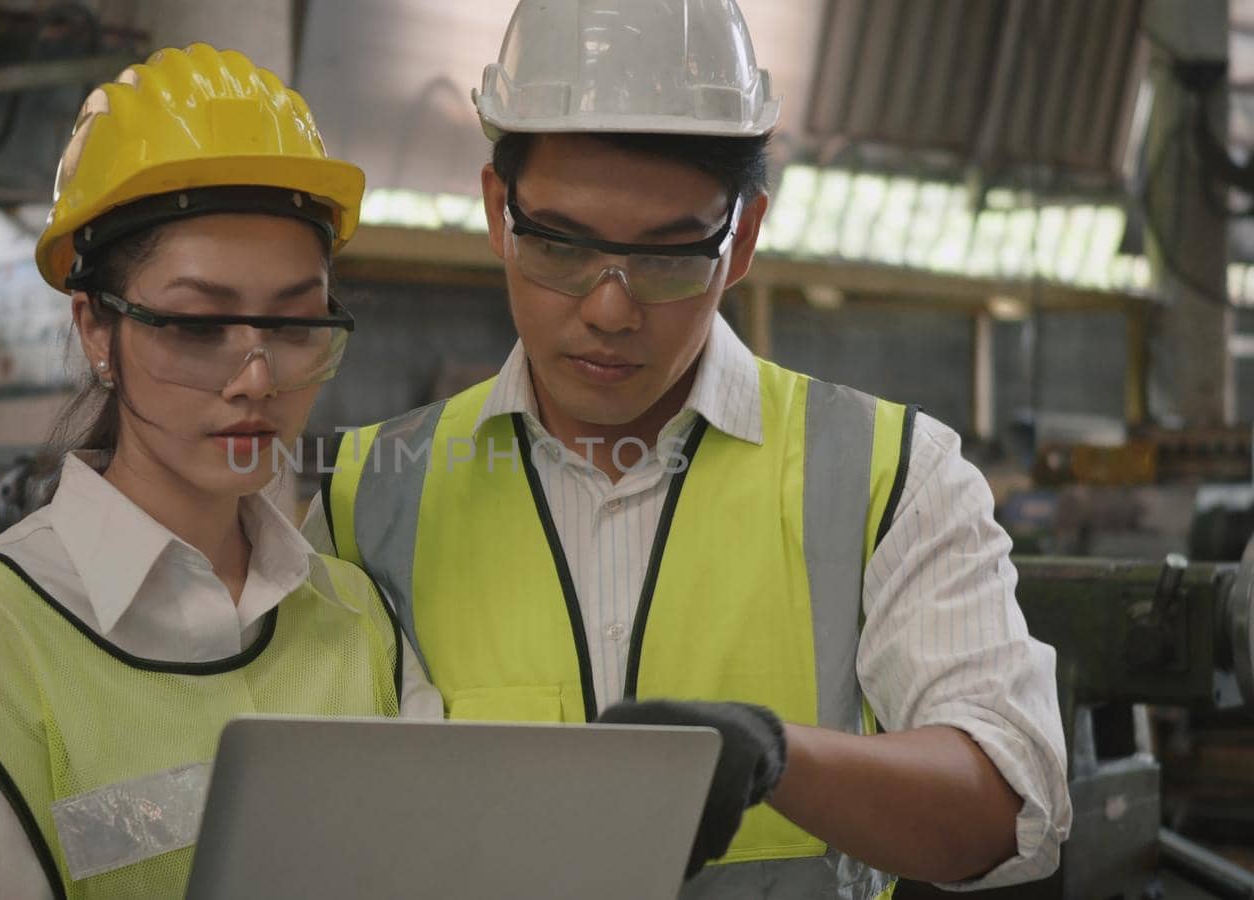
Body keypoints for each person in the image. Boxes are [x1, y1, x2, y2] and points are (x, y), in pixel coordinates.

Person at [304, 1, 1073, 896]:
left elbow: (1009, 807)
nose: (608, 307)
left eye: (670, 257)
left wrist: (781, 763)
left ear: (740, 238)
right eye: (561, 245)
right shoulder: (362, 499)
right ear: (496, 212)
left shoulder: (889, 475)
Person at [0, 44, 437, 899]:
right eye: (196, 326)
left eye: (294, 325)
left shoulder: (358, 625)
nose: (255, 377)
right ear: (96, 329)